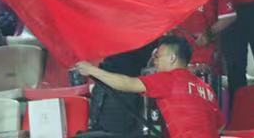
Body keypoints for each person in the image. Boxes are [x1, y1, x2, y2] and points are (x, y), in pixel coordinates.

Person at [77, 35, 218, 138]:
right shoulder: (206, 88)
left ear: (172, 58)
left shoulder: (169, 79)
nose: (154, 61)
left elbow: (126, 83)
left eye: (158, 56)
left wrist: (91, 70)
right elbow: (220, 125)